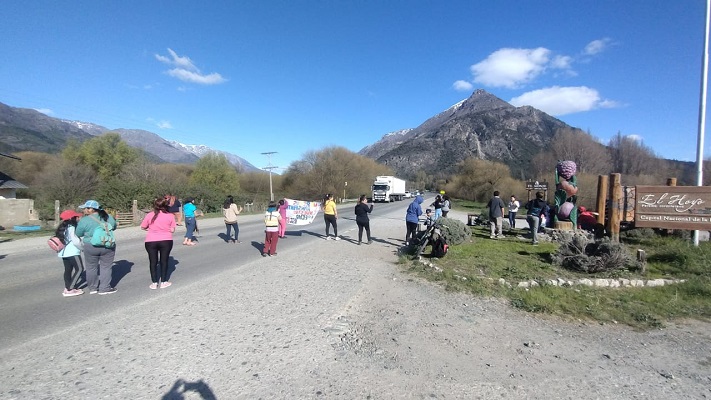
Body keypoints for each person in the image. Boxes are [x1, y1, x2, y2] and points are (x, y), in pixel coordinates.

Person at [75, 200, 118, 295]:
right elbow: (114, 227)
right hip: (107, 244)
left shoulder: (84, 220)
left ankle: (93, 288)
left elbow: (78, 233)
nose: (84, 210)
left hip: (90, 245)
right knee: (106, 267)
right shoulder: (108, 217)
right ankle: (105, 288)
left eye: (86, 208)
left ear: (91, 209)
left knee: (91, 267)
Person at [141, 197, 176, 289]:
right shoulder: (170, 215)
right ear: (166, 205)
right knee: (164, 261)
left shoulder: (149, 215)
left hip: (151, 240)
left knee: (153, 261)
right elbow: (172, 230)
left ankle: (154, 282)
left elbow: (143, 227)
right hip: (166, 240)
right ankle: (164, 281)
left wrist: (152, 229)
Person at [55, 209, 85, 297]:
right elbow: (75, 241)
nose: (77, 218)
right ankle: (70, 289)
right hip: (73, 252)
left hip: (64, 253)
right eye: (76, 217)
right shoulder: (71, 227)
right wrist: (82, 248)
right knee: (79, 269)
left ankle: (67, 286)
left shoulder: (62, 228)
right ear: (72, 218)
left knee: (68, 270)